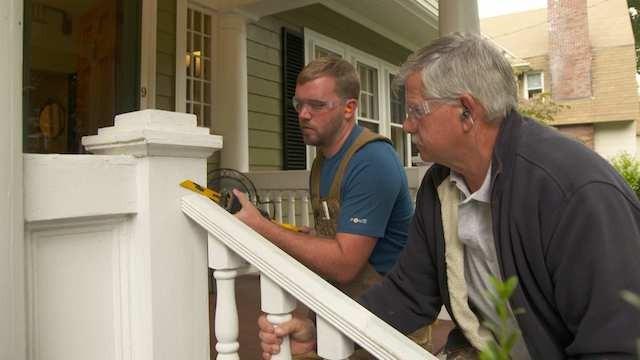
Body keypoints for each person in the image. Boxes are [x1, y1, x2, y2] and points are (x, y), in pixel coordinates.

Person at [257, 33, 640, 360]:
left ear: (467, 112)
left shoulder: (572, 191)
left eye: (415, 111)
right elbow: (409, 294)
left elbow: (616, 342)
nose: (405, 125)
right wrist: (322, 330)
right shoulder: (441, 184)